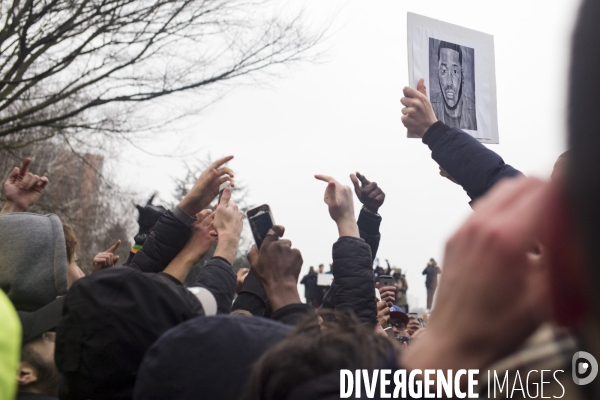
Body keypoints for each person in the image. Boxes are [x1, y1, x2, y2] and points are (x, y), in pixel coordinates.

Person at [430, 41, 477, 130]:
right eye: (444, 71)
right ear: (438, 74)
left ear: (462, 76)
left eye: (455, 72)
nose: (449, 82)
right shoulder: (430, 109)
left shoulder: (474, 114)